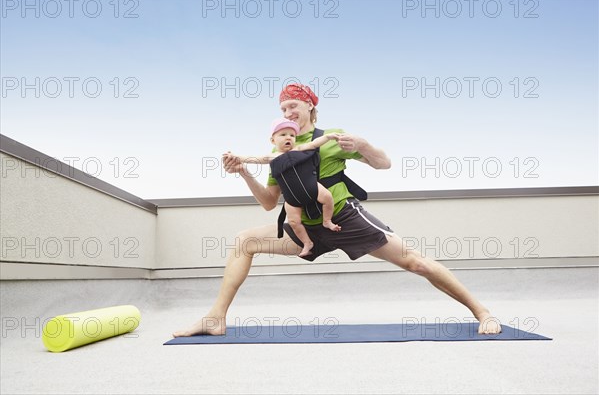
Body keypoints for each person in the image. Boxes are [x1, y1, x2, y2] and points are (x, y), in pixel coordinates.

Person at [173, 83, 501, 337]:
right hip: (304, 230)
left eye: (294, 105)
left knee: (415, 261)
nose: (288, 111)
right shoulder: (277, 153)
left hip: (344, 217)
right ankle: (215, 318)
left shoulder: (332, 138)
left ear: (310, 107)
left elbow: (383, 164)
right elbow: (269, 203)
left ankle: (482, 312)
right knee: (245, 241)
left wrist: (362, 145)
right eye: (283, 108)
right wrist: (244, 172)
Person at [224, 117, 342, 257]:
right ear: (273, 140)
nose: (289, 138)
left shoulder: (299, 148)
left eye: (292, 135)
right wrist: (237, 157)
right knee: (293, 221)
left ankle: (327, 221)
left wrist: (328, 137)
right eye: (283, 134)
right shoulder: (272, 157)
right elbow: (254, 159)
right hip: (292, 197)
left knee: (328, 197)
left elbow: (315, 143)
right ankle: (307, 242)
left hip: (312, 187)